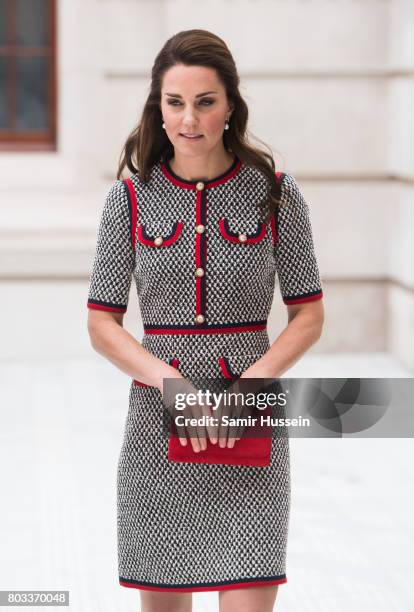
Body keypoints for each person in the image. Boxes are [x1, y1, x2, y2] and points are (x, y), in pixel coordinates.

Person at [87, 28, 324, 612]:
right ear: (157, 108)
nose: (188, 118)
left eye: (205, 101)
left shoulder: (275, 193)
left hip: (247, 415)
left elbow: (308, 315)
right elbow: (102, 324)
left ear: (230, 106)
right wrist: (173, 387)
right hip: (157, 424)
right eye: (175, 102)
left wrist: (249, 386)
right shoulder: (130, 199)